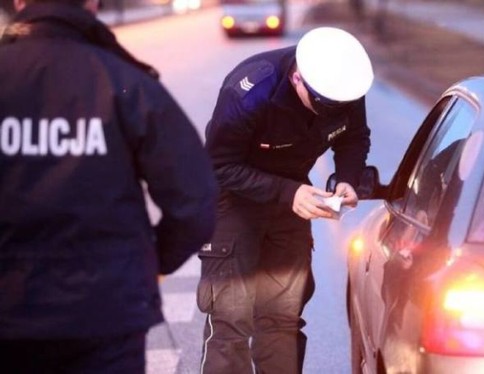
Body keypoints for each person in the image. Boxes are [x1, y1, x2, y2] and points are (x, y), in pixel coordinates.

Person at [0, 0, 219, 372]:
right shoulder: (124, 81)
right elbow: (196, 201)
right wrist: (150, 263)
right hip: (107, 315)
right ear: (92, 2)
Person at [198, 26, 374, 373]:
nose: (330, 115)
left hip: (292, 197)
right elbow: (217, 165)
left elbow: (354, 138)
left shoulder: (344, 85)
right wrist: (288, 192)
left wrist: (348, 179)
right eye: (323, 106)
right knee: (231, 319)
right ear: (297, 79)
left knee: (282, 317)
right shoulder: (249, 93)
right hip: (232, 198)